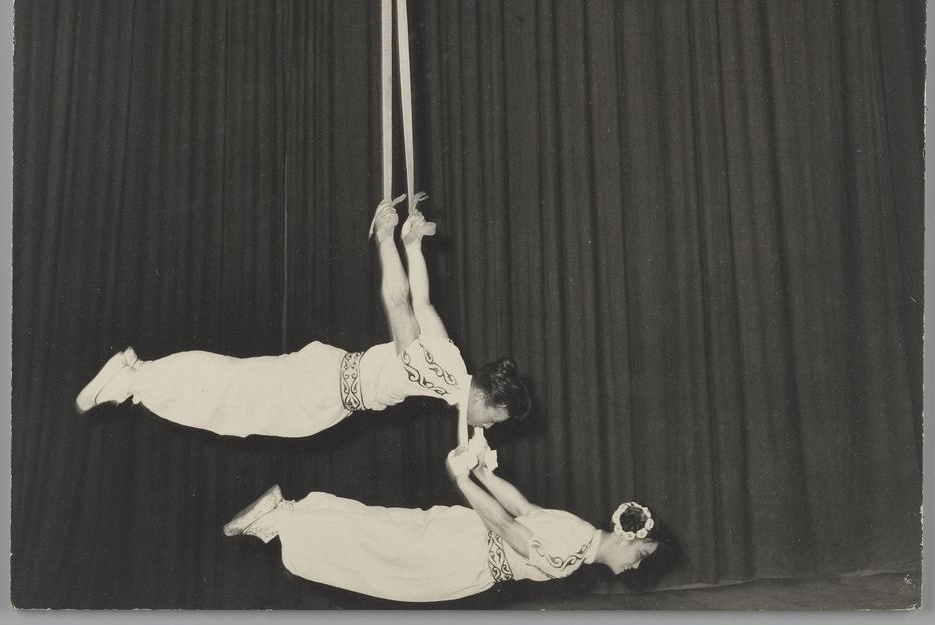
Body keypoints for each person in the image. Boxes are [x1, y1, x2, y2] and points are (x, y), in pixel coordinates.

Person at [75, 197, 531, 437]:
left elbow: (425, 303)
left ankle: (139, 377)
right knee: (232, 400)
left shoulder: (454, 362)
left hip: (331, 386)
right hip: (323, 392)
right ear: (482, 399)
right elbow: (400, 305)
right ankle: (136, 378)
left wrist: (412, 246)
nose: (487, 427)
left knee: (235, 395)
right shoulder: (440, 374)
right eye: (492, 419)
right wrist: (386, 239)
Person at [220, 444, 661, 603]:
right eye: (641, 554)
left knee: (381, 532)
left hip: (465, 538)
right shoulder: (572, 552)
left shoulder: (579, 531)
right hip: (464, 558)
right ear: (626, 536)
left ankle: (289, 515)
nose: (636, 565)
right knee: (381, 559)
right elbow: (510, 528)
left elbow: (523, 508)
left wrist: (484, 473)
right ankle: (285, 518)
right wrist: (464, 479)